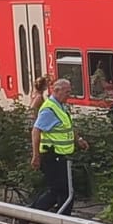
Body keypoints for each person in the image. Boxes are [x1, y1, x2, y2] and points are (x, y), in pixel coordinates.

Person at [28, 78, 87, 216]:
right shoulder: (49, 109)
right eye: (67, 92)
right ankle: (29, 215)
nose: (69, 95)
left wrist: (78, 140)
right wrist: (36, 155)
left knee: (64, 192)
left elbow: (67, 127)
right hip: (52, 156)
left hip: (61, 156)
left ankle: (62, 223)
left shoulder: (61, 106)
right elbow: (36, 131)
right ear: (56, 90)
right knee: (60, 191)